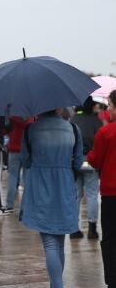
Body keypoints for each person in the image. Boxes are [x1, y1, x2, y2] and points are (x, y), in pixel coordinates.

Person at [20, 108, 83, 288]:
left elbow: (26, 161)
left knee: (49, 243)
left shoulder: (31, 130)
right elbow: (78, 162)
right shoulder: (73, 129)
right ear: (60, 108)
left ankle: (57, 285)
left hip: (40, 187)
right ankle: (56, 284)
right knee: (59, 242)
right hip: (65, 186)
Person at [88, 90, 116, 288]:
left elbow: (96, 160)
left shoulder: (106, 133)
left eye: (111, 106)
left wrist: (89, 156)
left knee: (110, 240)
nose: (109, 110)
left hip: (111, 194)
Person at [70, 96, 103, 239]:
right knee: (92, 195)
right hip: (91, 162)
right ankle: (92, 229)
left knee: (76, 196)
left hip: (76, 163)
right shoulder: (97, 121)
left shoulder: (73, 120)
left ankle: (73, 229)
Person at [4, 116, 34, 213]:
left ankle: (9, 205)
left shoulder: (12, 117)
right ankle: (26, 206)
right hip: (27, 151)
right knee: (26, 178)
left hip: (13, 150)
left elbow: (6, 131)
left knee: (12, 176)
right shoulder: (31, 118)